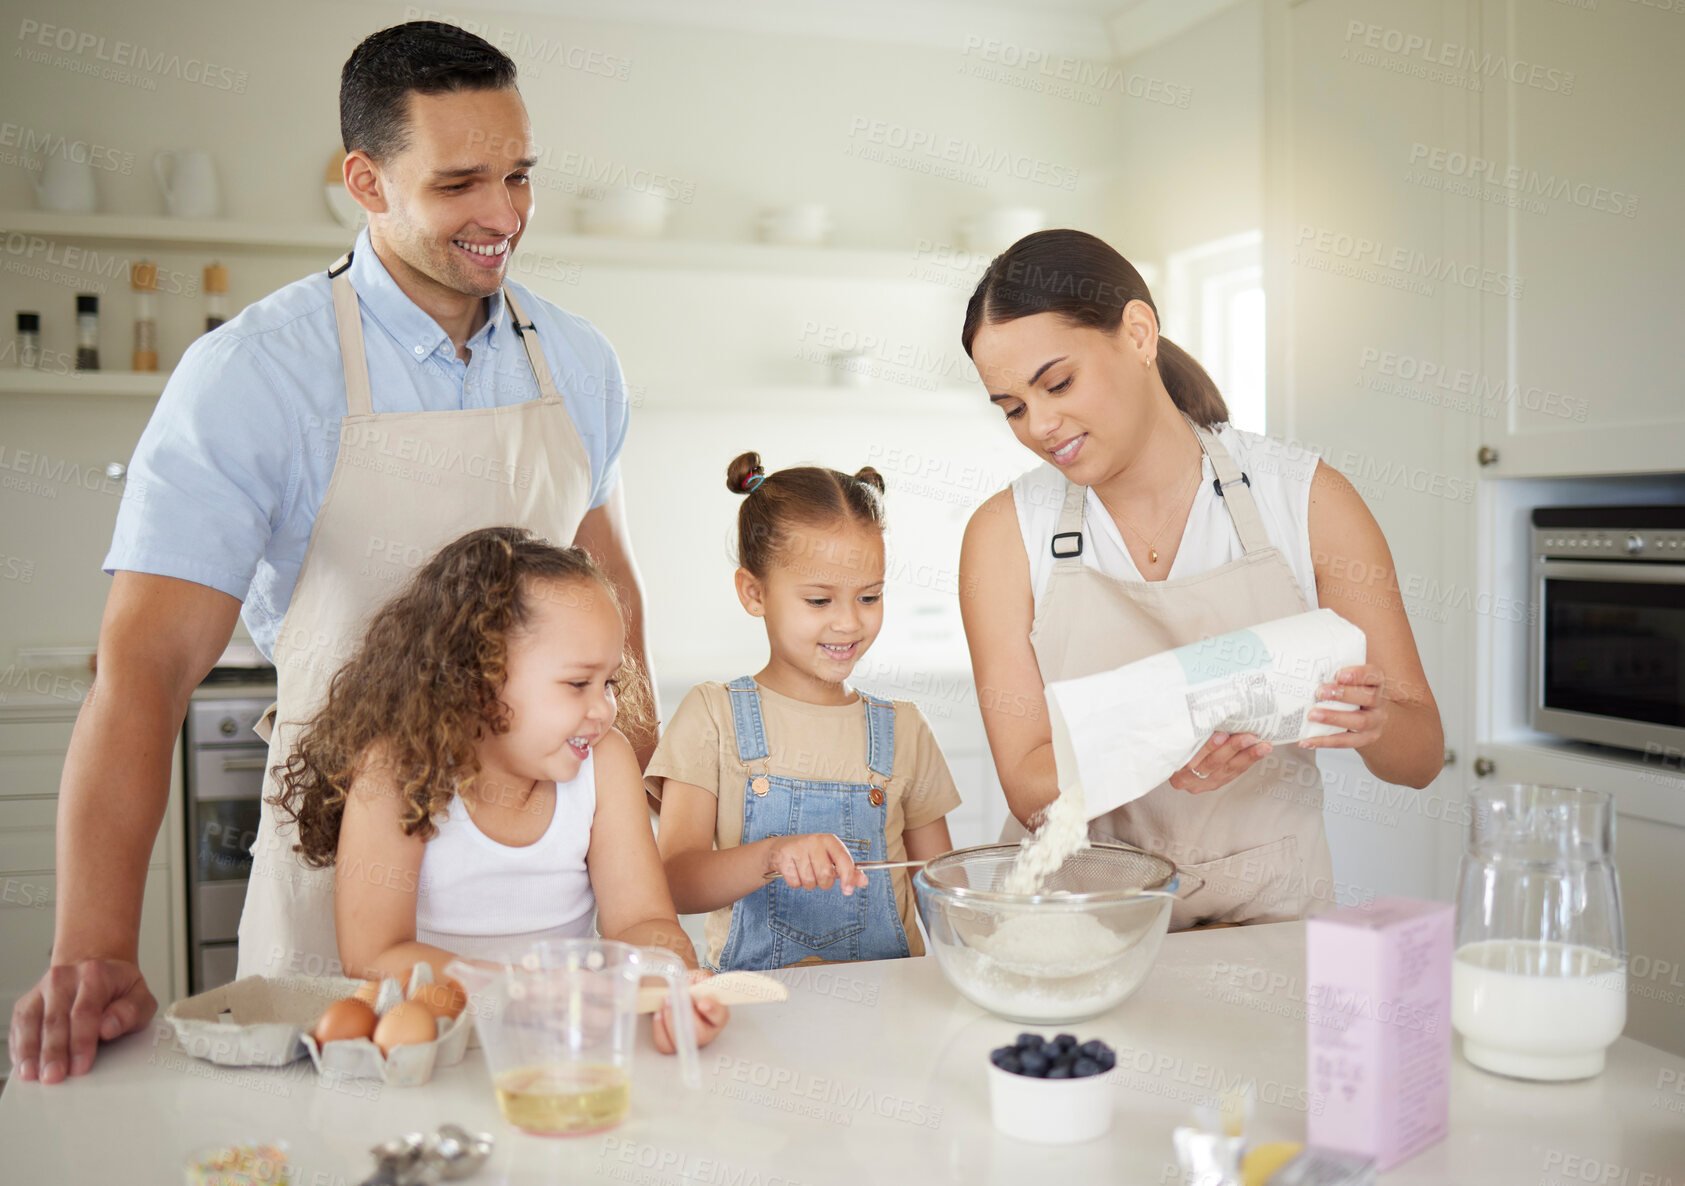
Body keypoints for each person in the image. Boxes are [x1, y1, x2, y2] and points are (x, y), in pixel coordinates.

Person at [10, 21, 652, 1084]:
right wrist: (94, 948)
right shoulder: (253, 377)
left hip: (546, 883)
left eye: (518, 175)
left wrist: (641, 812)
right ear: (365, 179)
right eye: (458, 185)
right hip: (340, 887)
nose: (503, 215)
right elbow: (144, 669)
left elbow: (612, 594)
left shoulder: (580, 365)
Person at [958, 230, 1443, 929]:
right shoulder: (1005, 534)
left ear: (1136, 333)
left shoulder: (1305, 498)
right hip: (1078, 918)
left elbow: (1420, 755)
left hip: (1268, 917)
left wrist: (1374, 720)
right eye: (1010, 407)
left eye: (1056, 383)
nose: (1039, 425)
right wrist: (1166, 742)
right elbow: (1030, 786)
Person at [272, 527, 726, 1053]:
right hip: (442, 1047)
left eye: (609, 683)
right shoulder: (397, 769)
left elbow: (642, 921)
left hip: (564, 1049)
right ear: (478, 678)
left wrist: (672, 979)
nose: (605, 709)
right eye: (579, 684)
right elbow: (374, 952)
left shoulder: (606, 761)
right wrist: (520, 991)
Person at [649, 453, 960, 971]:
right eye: (819, 600)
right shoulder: (712, 717)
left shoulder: (903, 729)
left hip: (891, 1015)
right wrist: (771, 857)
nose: (848, 623)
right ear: (754, 593)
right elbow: (675, 883)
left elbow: (945, 895)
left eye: (869, 596)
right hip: (757, 1018)